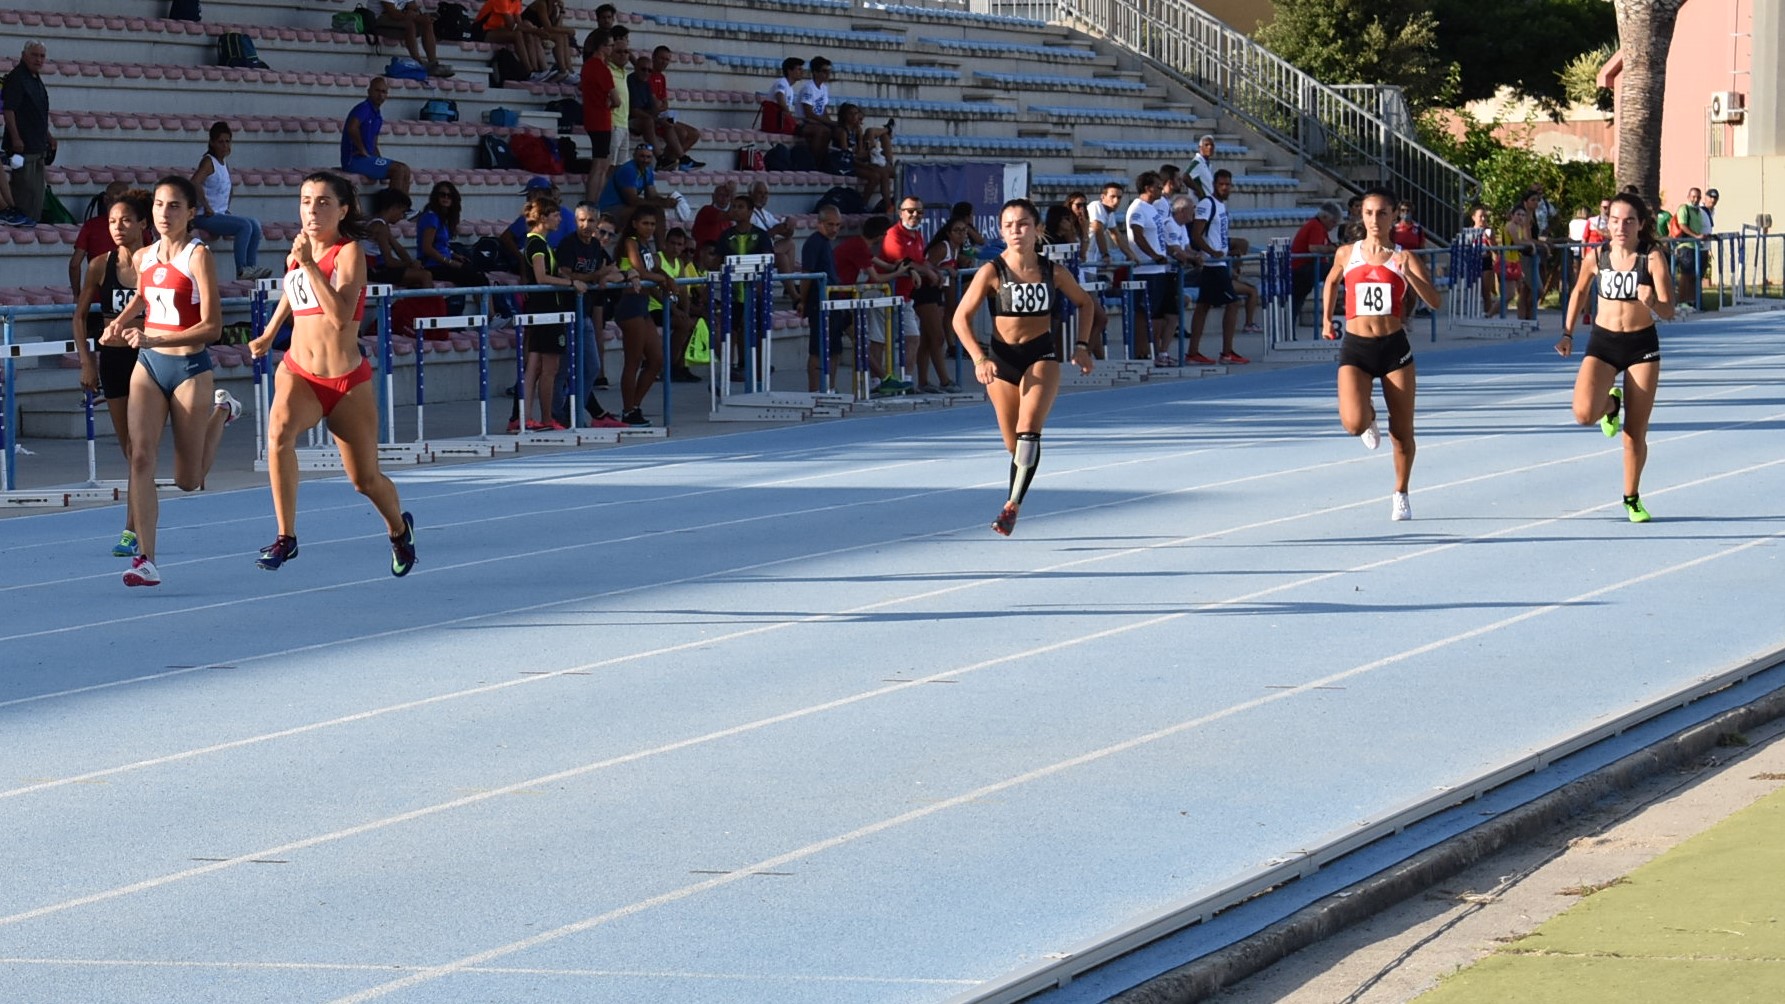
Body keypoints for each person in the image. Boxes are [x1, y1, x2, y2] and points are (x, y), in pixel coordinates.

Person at [249, 171, 415, 575]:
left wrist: (309, 263)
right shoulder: (297, 252)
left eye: (323, 202)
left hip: (346, 382)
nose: (312, 210)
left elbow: (341, 317)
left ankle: (398, 529)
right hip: (299, 373)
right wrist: (269, 333)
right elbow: (292, 292)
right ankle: (286, 536)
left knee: (364, 480)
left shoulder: (348, 252)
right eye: (306, 201)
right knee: (278, 435)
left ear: (342, 210)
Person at [101, 176, 237, 587]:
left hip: (189, 369)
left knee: (188, 481)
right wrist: (119, 323)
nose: (164, 213)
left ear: (191, 212)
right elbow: (144, 296)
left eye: (175, 205)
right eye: (159, 205)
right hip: (149, 366)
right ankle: (145, 559)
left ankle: (222, 410)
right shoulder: (145, 255)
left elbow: (213, 327)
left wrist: (156, 337)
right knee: (140, 457)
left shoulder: (199, 256)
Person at [951, 198, 1096, 536]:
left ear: (1037, 229)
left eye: (1023, 224)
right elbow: (960, 318)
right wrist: (979, 358)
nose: (1016, 231)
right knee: (1013, 445)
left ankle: (1011, 505)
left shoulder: (1053, 272)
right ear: (1001, 232)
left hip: (1040, 355)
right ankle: (1017, 487)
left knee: (1029, 430)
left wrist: (1082, 346)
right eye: (1009, 226)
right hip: (1001, 360)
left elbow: (1086, 303)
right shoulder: (991, 271)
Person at [1319, 186, 1443, 522]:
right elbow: (1331, 282)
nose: (1375, 220)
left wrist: (1408, 273)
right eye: (1369, 213)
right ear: (1361, 215)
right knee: (1353, 423)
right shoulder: (1347, 253)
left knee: (1402, 433)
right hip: (1357, 348)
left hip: (1393, 349)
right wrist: (1327, 319)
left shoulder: (1405, 256)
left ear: (1394, 216)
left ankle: (1400, 492)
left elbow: (1435, 301)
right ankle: (1369, 415)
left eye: (1382, 213)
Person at [1557, 192, 1675, 523]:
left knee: (1634, 433)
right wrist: (1567, 333)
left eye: (1628, 221)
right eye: (1615, 221)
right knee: (1583, 414)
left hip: (1641, 346)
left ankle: (1631, 498)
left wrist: (1652, 302)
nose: (1621, 227)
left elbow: (1669, 310)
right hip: (1604, 343)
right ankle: (1611, 405)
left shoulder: (1651, 257)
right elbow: (1580, 291)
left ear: (1640, 224)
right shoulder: (1597, 256)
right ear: (1607, 223)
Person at [71, 187, 151, 559]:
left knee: (142, 450)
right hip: (114, 361)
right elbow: (79, 317)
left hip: (149, 360)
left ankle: (131, 528)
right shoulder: (100, 265)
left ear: (143, 224)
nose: (117, 227)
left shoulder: (156, 262)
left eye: (126, 221)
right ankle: (136, 522)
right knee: (130, 450)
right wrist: (87, 361)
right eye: (113, 221)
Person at [512, 194, 586, 431]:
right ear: (543, 218)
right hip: (546, 312)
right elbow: (541, 277)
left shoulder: (541, 243)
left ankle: (526, 417)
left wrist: (564, 276)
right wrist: (571, 283)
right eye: (555, 215)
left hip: (545, 311)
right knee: (549, 368)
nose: (559, 220)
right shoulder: (536, 243)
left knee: (534, 366)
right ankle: (545, 418)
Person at [553, 204, 626, 426]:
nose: (586, 225)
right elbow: (566, 274)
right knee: (563, 368)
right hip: (565, 314)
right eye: (582, 220)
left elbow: (615, 272)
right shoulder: (568, 244)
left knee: (592, 366)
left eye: (591, 221)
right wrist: (596, 275)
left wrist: (608, 276)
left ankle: (572, 411)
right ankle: (557, 415)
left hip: (583, 314)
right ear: (576, 221)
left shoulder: (595, 246)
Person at [612, 205, 673, 426]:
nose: (649, 228)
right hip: (629, 305)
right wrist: (663, 279)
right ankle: (628, 410)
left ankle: (634, 406)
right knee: (634, 360)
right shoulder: (630, 242)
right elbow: (641, 271)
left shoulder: (647, 245)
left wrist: (666, 278)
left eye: (653, 224)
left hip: (643, 304)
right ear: (635, 224)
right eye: (645, 223)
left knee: (656, 360)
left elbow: (654, 269)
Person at [191, 122, 271, 281]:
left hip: (219, 214)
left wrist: (225, 207)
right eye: (220, 142)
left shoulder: (223, 163)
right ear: (212, 143)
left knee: (255, 224)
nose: (225, 146)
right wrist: (206, 206)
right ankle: (241, 269)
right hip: (204, 216)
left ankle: (251, 267)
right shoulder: (209, 161)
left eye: (227, 141)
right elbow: (194, 182)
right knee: (244, 226)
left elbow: (228, 188)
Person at [885, 196, 948, 391]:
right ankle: (880, 382)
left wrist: (933, 270)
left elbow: (920, 261)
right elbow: (903, 262)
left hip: (906, 296)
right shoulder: (894, 234)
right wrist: (928, 272)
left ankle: (907, 380)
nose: (915, 215)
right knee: (881, 342)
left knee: (914, 338)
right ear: (900, 212)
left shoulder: (917, 235)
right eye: (910, 211)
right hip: (887, 294)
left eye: (919, 212)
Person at [1188, 169, 1249, 365]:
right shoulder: (1207, 204)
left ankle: (1193, 352)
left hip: (1218, 262)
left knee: (1203, 306)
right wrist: (1212, 252)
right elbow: (1196, 235)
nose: (1225, 188)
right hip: (1213, 265)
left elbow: (1217, 236)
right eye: (1221, 184)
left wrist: (1227, 251)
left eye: (1228, 184)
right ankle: (1226, 352)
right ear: (1214, 185)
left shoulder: (1221, 206)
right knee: (1232, 303)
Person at [3, 40, 54, 223]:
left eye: (42, 56)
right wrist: (16, 138)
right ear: (24, 55)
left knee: (36, 193)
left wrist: (49, 137)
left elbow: (38, 113)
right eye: (34, 55)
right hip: (23, 147)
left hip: (37, 145)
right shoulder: (17, 78)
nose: (38, 59)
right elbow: (9, 110)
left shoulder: (35, 78)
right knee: (24, 190)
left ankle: (32, 222)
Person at [1125, 171, 1173, 365]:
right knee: (1143, 313)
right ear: (1148, 188)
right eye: (1158, 187)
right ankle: (1141, 353)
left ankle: (1153, 353)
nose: (1161, 189)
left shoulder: (1152, 208)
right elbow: (1137, 235)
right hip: (1145, 270)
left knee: (1155, 313)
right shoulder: (1138, 208)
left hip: (1157, 270)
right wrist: (1154, 256)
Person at [798, 204, 845, 391]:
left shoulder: (825, 243)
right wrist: (802, 300)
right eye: (830, 224)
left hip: (834, 301)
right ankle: (815, 390)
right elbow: (806, 275)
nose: (834, 229)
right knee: (818, 349)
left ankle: (830, 389)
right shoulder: (814, 243)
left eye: (837, 225)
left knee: (835, 348)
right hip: (819, 302)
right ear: (819, 223)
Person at [339, 78, 412, 195]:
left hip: (367, 160)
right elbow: (352, 128)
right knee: (398, 169)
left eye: (384, 92)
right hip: (354, 160)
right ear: (369, 91)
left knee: (405, 169)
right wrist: (362, 149)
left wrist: (379, 161)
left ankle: (403, 205)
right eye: (377, 91)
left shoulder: (378, 116)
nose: (380, 95)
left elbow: (374, 144)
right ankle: (392, 205)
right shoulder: (363, 108)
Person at [634, 46, 702, 170]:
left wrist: (661, 105)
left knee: (694, 134)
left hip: (661, 115)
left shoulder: (662, 77)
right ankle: (676, 160)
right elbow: (656, 104)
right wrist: (660, 106)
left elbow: (664, 104)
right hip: (651, 116)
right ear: (654, 58)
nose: (664, 62)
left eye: (667, 59)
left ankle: (670, 161)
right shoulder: (647, 76)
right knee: (681, 133)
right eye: (661, 58)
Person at [414, 181, 488, 288]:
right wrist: (450, 262)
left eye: (449, 196)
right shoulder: (431, 217)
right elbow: (427, 248)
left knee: (478, 273)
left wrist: (455, 256)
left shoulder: (441, 218)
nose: (446, 198)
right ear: (436, 197)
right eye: (442, 195)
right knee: (477, 278)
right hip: (433, 266)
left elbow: (440, 245)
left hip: (443, 263)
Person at [579, 28, 621, 203]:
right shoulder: (601, 69)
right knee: (600, 164)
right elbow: (616, 99)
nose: (612, 49)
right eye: (610, 46)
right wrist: (611, 103)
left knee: (602, 161)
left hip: (591, 116)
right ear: (602, 47)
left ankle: (594, 200)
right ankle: (592, 201)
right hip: (601, 119)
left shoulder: (587, 66)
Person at [362, 188, 435, 289]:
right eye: (402, 212)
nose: (402, 217)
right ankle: (429, 299)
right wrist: (410, 264)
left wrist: (412, 264)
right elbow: (389, 261)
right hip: (373, 269)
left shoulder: (382, 224)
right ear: (394, 208)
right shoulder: (379, 227)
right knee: (425, 276)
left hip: (378, 267)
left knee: (418, 276)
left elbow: (398, 248)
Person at [68, 182, 130, 297]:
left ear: (105, 200)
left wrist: (77, 296)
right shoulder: (138, 227)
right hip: (129, 297)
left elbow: (74, 264)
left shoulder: (91, 226)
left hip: (95, 298)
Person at [598, 139, 676, 232]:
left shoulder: (648, 170)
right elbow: (632, 200)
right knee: (638, 211)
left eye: (648, 157)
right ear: (634, 156)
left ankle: (660, 242)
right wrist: (660, 203)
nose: (645, 160)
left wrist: (665, 201)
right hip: (609, 208)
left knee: (658, 210)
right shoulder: (628, 170)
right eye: (642, 156)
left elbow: (652, 196)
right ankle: (624, 238)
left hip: (624, 207)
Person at [835, 103, 893, 212]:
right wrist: (867, 163)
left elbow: (860, 152)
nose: (854, 116)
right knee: (876, 175)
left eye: (856, 113)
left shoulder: (857, 130)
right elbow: (845, 155)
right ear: (844, 116)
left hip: (854, 161)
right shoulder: (842, 131)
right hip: (844, 164)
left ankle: (888, 206)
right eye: (850, 114)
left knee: (883, 173)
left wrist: (868, 153)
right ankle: (863, 204)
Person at [1290, 202, 1340, 324]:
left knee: (1297, 300)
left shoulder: (1318, 227)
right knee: (1340, 270)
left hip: (1304, 267)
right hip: (1302, 268)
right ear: (1325, 217)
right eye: (1333, 222)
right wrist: (1332, 249)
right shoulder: (1315, 226)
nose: (1334, 226)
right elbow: (1314, 247)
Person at [374, 1, 455, 77]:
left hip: (399, 18)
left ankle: (433, 64)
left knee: (427, 22)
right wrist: (413, 16)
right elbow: (393, 13)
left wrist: (415, 13)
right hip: (379, 20)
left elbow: (413, 6)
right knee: (410, 23)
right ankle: (418, 61)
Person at [473, 0, 548, 80]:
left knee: (527, 33)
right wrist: (535, 31)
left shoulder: (517, 2)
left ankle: (536, 70)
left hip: (496, 30)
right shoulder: (502, 1)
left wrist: (533, 31)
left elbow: (519, 23)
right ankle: (529, 71)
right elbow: (512, 25)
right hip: (482, 31)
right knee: (517, 35)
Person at [793, 56, 837, 170]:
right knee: (823, 131)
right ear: (815, 72)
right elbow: (809, 113)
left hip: (815, 122)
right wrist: (829, 123)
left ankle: (825, 162)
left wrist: (831, 123)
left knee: (836, 130)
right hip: (802, 122)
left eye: (829, 71)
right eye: (824, 71)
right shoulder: (808, 88)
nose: (827, 74)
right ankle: (812, 163)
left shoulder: (824, 88)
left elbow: (823, 110)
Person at [1673, 186, 1711, 304]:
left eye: (1698, 197)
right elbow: (1683, 225)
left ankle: (1692, 301)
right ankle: (1682, 302)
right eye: (1693, 197)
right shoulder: (1684, 209)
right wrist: (1696, 236)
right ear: (1689, 197)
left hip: (1696, 246)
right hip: (1686, 246)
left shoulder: (1698, 211)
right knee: (1686, 275)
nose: (1696, 199)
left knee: (1695, 276)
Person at [1500, 202, 1536, 320]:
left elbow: (1525, 239)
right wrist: (1531, 245)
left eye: (1523, 215)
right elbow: (1518, 242)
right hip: (1508, 261)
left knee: (1523, 289)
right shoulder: (1510, 226)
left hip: (1516, 261)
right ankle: (1490, 313)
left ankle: (1522, 318)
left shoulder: (1519, 227)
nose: (1521, 217)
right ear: (1512, 215)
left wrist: (1531, 243)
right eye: (1518, 214)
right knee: (1509, 294)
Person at [1087, 181, 1134, 266]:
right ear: (1103, 197)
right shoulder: (1096, 206)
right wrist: (1105, 255)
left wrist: (1131, 255)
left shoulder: (1110, 213)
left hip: (1091, 258)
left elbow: (1116, 236)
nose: (1116, 201)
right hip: (1080, 256)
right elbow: (1098, 229)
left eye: (1119, 198)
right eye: (1112, 196)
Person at [691, 181, 735, 248]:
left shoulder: (728, 222)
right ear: (713, 196)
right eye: (721, 195)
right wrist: (733, 194)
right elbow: (731, 215)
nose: (724, 199)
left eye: (727, 196)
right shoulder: (707, 210)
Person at [1187, 134, 1215, 200]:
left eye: (1212, 145)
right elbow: (1185, 177)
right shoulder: (1197, 162)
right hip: (1198, 203)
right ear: (1200, 147)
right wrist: (1199, 191)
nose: (1210, 147)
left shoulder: (1208, 165)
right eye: (1206, 145)